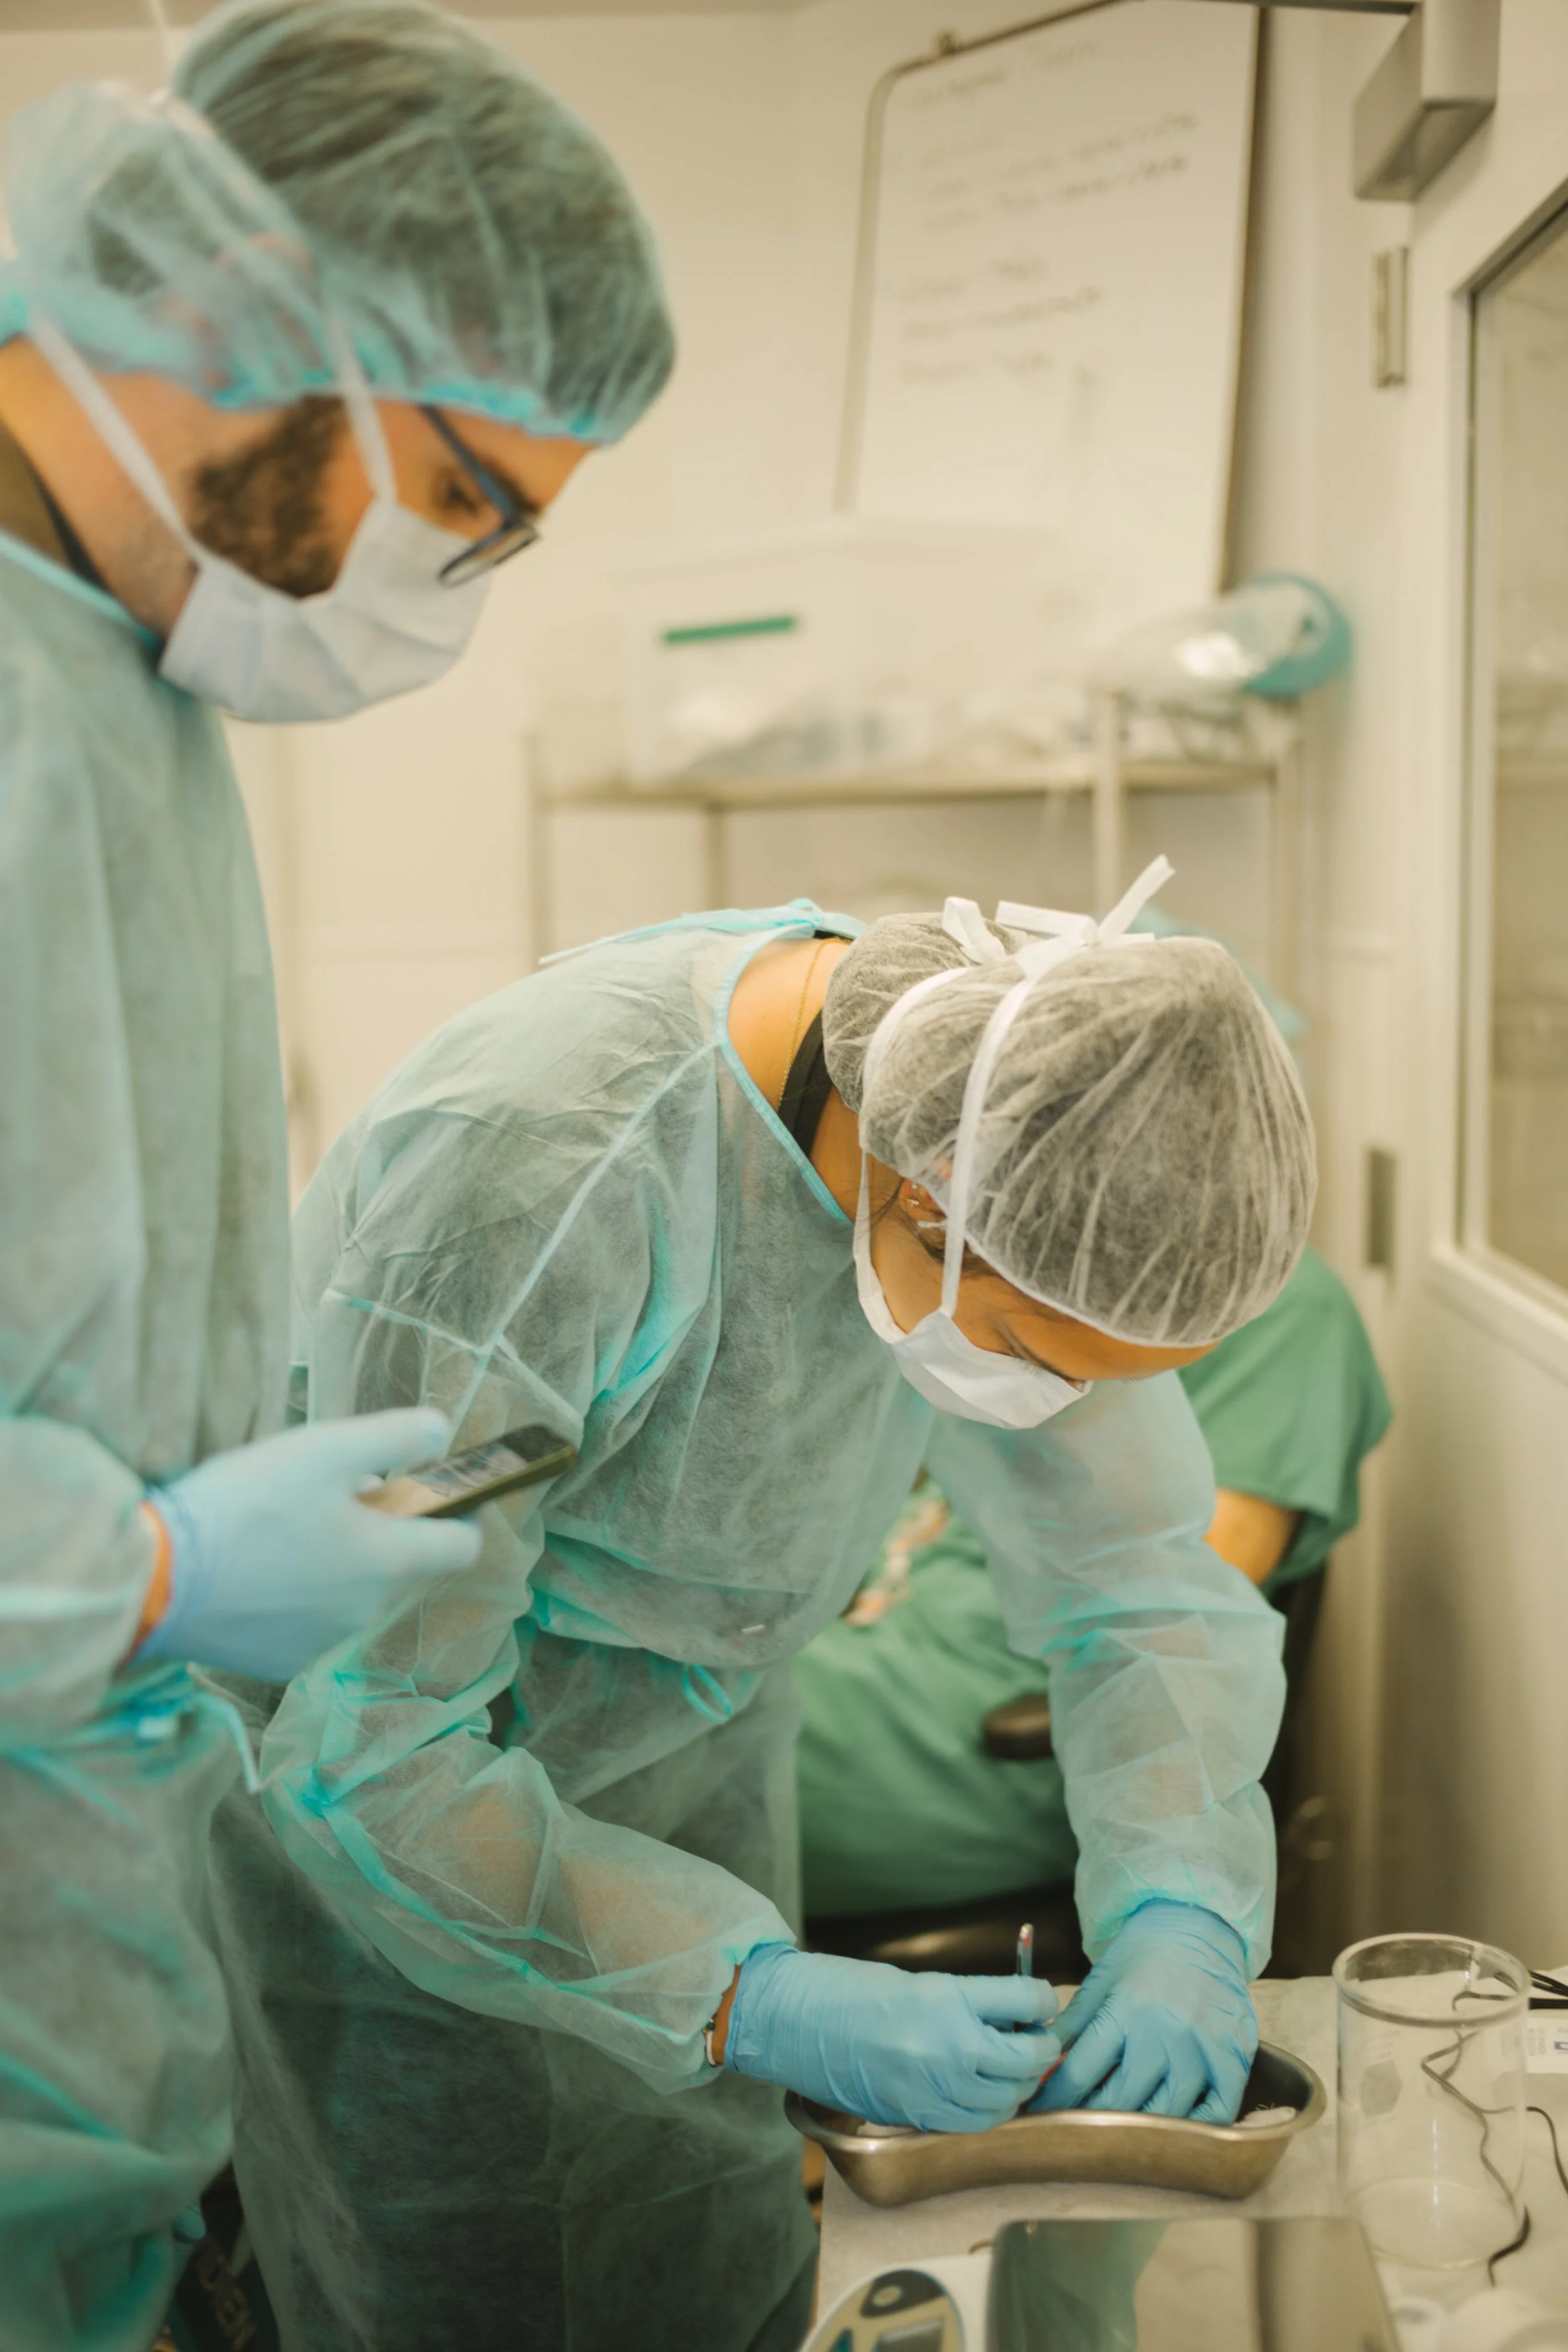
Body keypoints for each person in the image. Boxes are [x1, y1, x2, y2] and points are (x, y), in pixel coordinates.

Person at [205, 864, 1315, 2352]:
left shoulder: (1015, 1147)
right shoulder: (544, 1179)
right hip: (401, 1867)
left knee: (702, 2264)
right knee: (472, 2279)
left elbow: (1137, 1584)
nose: (1055, 1403)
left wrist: (1180, 1903)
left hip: (698, 1795)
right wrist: (745, 1995)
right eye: (1026, 1350)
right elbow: (373, 1734)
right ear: (924, 1200)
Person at [0, 3, 673, 2344]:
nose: (451, 583)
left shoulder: (120, 681)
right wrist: (148, 1564)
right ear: (226, 303)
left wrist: (188, 1513)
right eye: (462, 494)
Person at [795, 1239, 1392, 1923]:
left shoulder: (1285, 1315)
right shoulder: (1046, 1259)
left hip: (1002, 1726)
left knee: (711, 1756)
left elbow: (1171, 1625)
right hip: (884, 1628)